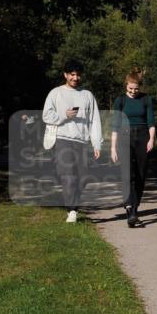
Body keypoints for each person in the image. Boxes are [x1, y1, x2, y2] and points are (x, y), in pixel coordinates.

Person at [42, 60, 103, 223]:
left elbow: (94, 121)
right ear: (65, 75)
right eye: (72, 74)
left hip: (82, 142)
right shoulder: (56, 93)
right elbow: (46, 116)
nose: (75, 78)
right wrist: (64, 115)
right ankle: (72, 210)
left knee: (82, 177)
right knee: (68, 176)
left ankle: (74, 205)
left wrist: (96, 143)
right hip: (62, 140)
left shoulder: (87, 95)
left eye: (78, 74)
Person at [111, 69, 156, 227]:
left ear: (139, 87)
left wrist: (151, 139)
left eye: (136, 88)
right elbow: (115, 125)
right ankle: (131, 211)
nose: (133, 91)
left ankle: (134, 206)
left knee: (140, 174)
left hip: (143, 137)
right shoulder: (120, 101)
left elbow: (151, 121)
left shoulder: (146, 99)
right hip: (124, 137)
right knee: (127, 173)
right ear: (126, 86)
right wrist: (113, 147)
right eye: (130, 88)